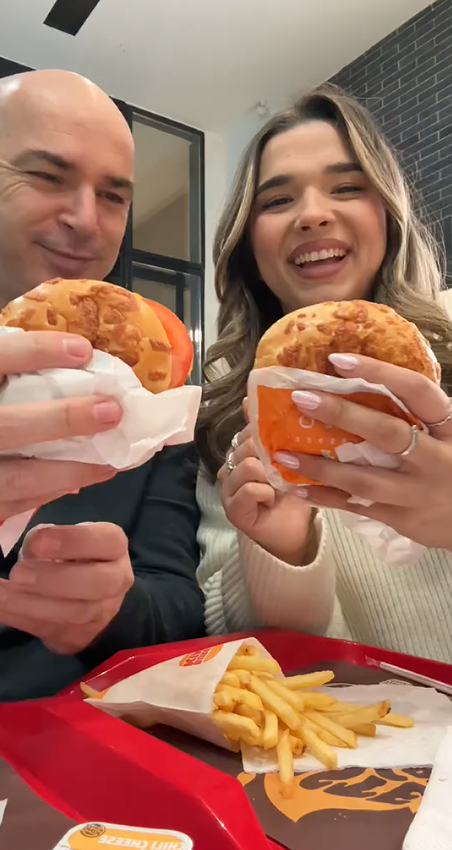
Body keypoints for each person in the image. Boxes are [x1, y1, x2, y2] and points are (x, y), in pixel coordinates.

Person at [196, 83, 452, 664]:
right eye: (278, 200)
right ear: (248, 244)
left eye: (347, 188)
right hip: (351, 719)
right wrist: (283, 551)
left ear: (387, 216)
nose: (312, 214)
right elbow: (250, 652)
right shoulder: (228, 416)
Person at [0, 70, 203, 704]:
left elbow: (179, 603)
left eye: (113, 196)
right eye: (47, 177)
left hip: (76, 742)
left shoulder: (154, 399)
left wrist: (112, 607)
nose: (85, 219)